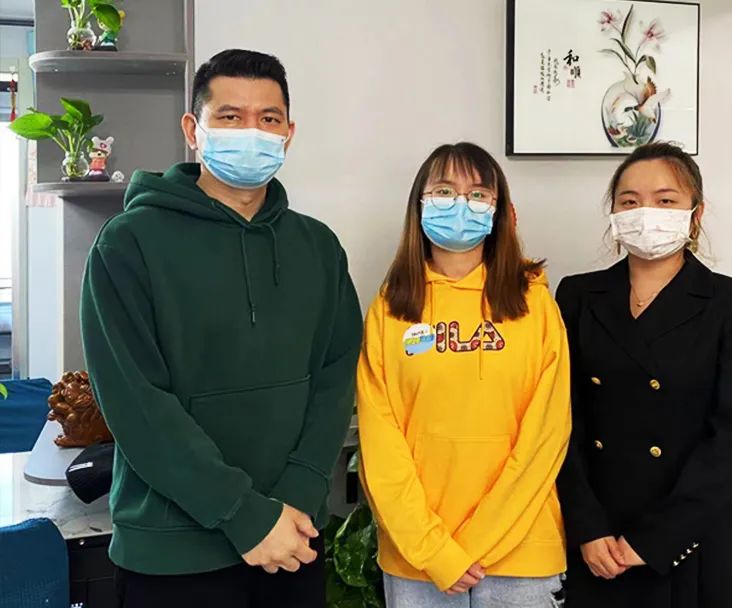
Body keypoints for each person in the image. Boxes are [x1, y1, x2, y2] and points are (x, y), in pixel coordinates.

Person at [80, 49, 363, 608]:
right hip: (173, 551)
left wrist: (298, 495)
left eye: (268, 118)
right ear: (193, 129)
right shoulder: (128, 244)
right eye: (230, 117)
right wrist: (245, 515)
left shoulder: (318, 247)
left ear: (288, 134)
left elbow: (334, 378)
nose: (251, 132)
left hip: (292, 537)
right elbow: (137, 404)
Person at [555, 142, 732, 608]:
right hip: (599, 537)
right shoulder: (577, 296)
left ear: (696, 213)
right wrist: (586, 526)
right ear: (614, 214)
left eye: (665, 200)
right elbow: (559, 420)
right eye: (630, 201)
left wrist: (656, 539)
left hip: (693, 531)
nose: (646, 212)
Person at [357, 142, 572, 607]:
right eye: (443, 190)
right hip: (418, 559)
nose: (460, 203)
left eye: (478, 194)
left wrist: (473, 543)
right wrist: (434, 549)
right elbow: (380, 442)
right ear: (419, 205)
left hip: (522, 551)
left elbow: (547, 434)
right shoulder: (390, 309)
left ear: (500, 211)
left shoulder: (534, 304)